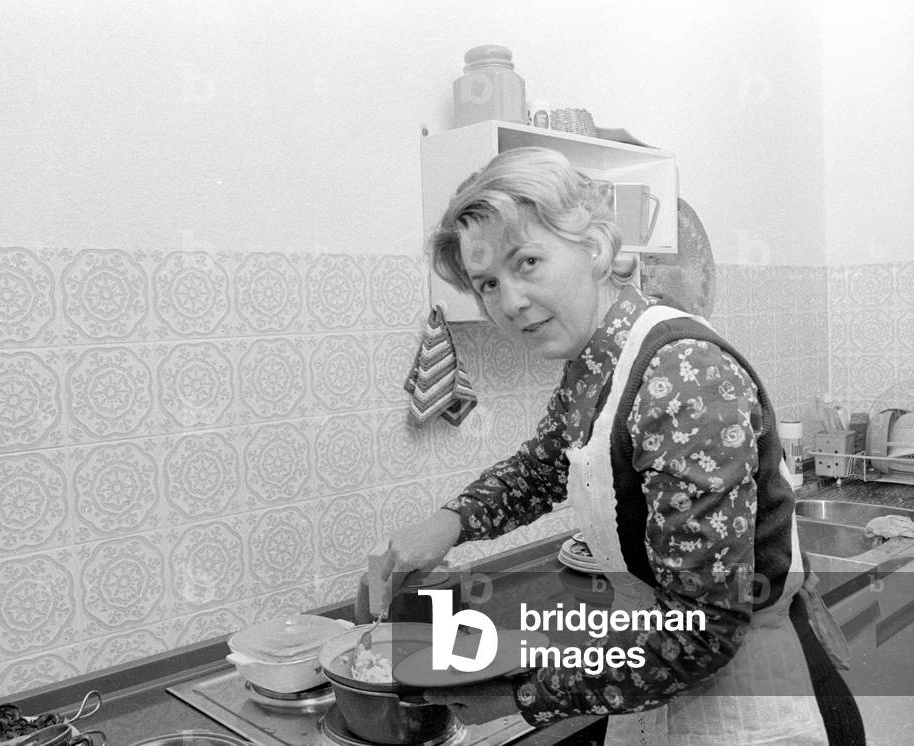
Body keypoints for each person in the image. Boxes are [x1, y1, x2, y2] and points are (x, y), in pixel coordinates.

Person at [356, 147, 863, 745]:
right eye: (488, 282)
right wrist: (449, 523)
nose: (509, 302)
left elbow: (702, 631)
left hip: (754, 701)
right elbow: (546, 464)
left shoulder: (680, 376)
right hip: (666, 682)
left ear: (594, 246)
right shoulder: (600, 357)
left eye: (528, 262)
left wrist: (515, 693)